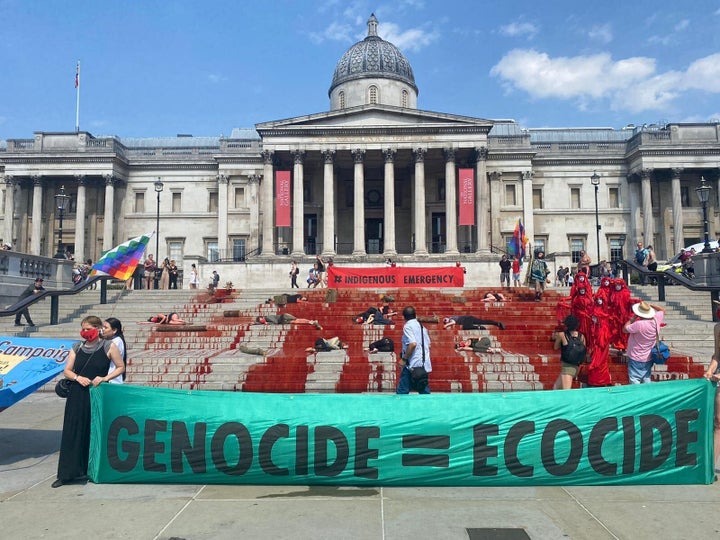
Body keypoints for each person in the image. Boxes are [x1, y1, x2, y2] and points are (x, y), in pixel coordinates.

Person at [52, 315, 124, 488]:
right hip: (78, 393)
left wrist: (105, 378)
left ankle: (91, 470)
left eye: (87, 329)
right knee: (73, 431)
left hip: (97, 393)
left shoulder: (108, 345)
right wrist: (78, 377)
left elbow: (121, 366)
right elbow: (67, 371)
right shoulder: (77, 347)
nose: (84, 332)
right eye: (82, 329)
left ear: (97, 328)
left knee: (95, 431)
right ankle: (66, 473)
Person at [623, 301, 666, 384]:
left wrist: (633, 318)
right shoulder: (656, 320)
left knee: (634, 379)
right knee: (646, 377)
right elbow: (662, 310)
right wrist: (650, 305)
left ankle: (638, 395)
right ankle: (647, 393)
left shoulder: (638, 324)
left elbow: (625, 329)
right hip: (649, 356)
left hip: (636, 356)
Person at [397, 306, 432, 394]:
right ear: (415, 315)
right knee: (424, 391)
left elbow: (413, 344)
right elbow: (429, 345)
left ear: (404, 317)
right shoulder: (422, 327)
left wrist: (404, 359)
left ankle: (398, 407)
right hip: (423, 364)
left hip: (411, 364)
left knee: (402, 392)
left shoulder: (408, 326)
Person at [552, 314, 586, 390]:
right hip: (576, 367)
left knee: (566, 392)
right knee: (556, 388)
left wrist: (557, 338)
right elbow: (583, 350)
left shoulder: (562, 335)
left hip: (567, 367)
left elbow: (555, 347)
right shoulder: (582, 336)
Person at [703, 320, 720, 470]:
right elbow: (717, 355)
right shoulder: (718, 328)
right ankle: (710, 467)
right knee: (718, 422)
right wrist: (710, 370)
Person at [102, 317, 127, 384]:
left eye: (106, 328)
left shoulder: (117, 341)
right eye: (102, 327)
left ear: (114, 330)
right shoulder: (109, 340)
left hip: (112, 380)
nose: (102, 330)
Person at [254, 314, 322, 330]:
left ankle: (311, 322)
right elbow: (257, 323)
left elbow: (275, 322)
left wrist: (267, 323)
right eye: (261, 321)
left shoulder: (267, 317)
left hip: (284, 317)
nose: (262, 321)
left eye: (261, 320)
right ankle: (311, 322)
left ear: (263, 318)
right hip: (283, 321)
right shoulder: (265, 321)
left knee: (297, 320)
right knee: (296, 322)